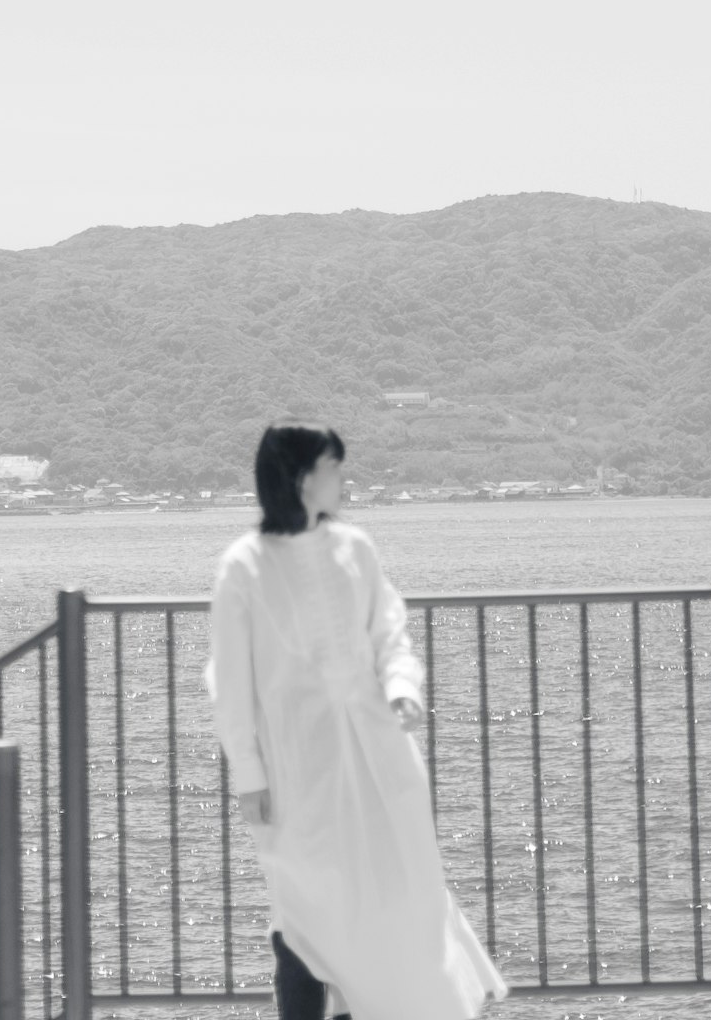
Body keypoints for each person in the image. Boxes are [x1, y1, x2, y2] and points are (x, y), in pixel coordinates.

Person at [208, 422, 507, 1020]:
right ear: (300, 479)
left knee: (392, 900)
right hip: (298, 764)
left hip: (377, 755)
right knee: (303, 911)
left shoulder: (355, 549)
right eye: (333, 469)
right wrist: (249, 774)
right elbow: (230, 680)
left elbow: (387, 631)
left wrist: (401, 688)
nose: (342, 481)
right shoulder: (244, 566)